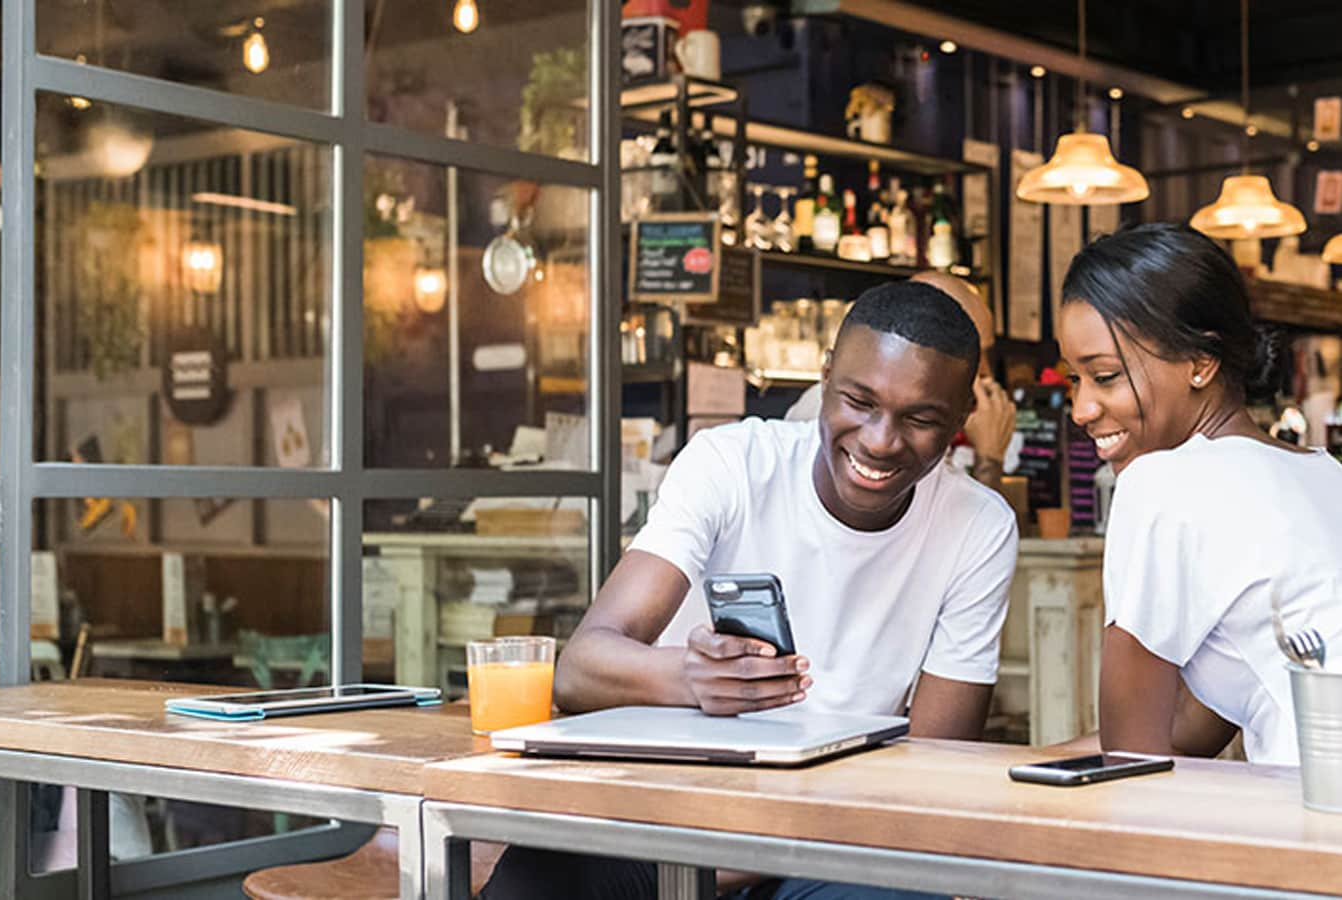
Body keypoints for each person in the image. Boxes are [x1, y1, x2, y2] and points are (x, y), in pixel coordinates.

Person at [480, 280, 1019, 900]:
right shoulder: (732, 464)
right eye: (858, 401)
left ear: (961, 421)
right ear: (823, 378)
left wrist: (763, 848)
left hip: (827, 847)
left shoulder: (978, 527)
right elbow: (580, 668)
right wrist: (691, 678)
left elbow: (934, 768)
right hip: (671, 818)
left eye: (921, 419)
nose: (879, 439)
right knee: (537, 879)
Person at [1056, 222, 1342, 764]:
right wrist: (1012, 766)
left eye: (1106, 376)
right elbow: (1192, 728)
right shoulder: (1325, 474)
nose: (1082, 409)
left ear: (1200, 363)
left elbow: (1131, 759)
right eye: (1075, 379)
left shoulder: (1163, 483)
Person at [785, 272, 1016, 492]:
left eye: (984, 353)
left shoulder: (959, 415)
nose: (984, 371)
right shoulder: (828, 408)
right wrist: (989, 461)